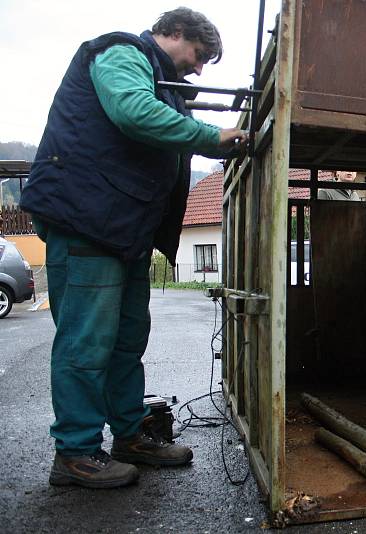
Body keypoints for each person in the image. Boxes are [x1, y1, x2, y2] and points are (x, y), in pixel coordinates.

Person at [20, 8, 247, 488]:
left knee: (125, 340)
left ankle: (128, 435)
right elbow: (134, 112)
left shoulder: (163, 83)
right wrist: (212, 136)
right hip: (87, 222)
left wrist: (215, 141)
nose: (200, 69)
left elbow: (166, 125)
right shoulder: (122, 52)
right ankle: (76, 452)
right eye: (200, 55)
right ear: (176, 32)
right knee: (87, 342)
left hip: (124, 230)